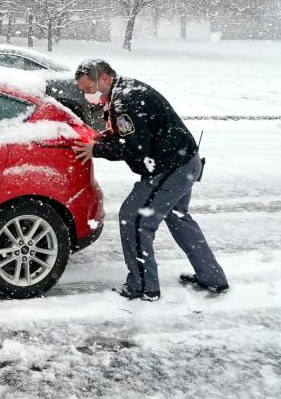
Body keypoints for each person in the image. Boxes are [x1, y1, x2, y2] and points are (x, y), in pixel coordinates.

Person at [71, 59, 228, 301]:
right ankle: (212, 278)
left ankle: (143, 287)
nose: (86, 94)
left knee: (133, 219)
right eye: (83, 90)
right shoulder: (124, 91)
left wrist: (97, 150)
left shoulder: (125, 101)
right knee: (178, 218)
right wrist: (103, 139)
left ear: (104, 78)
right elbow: (132, 134)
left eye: (88, 88)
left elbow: (135, 147)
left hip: (169, 168)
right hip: (185, 161)